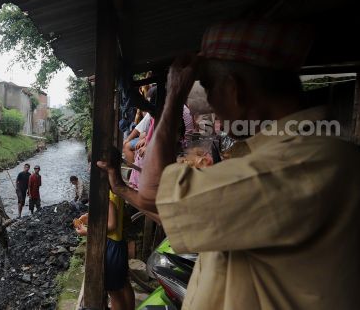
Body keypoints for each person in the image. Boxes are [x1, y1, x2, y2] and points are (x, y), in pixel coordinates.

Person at [98, 21, 360, 309]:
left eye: (209, 88)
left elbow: (153, 192)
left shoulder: (296, 164)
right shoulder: (308, 156)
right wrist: (121, 187)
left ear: (235, 89)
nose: (209, 102)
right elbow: (174, 210)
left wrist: (174, 95)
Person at [74, 189, 134, 310]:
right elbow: (110, 213)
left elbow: (111, 224)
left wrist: (88, 231)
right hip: (118, 243)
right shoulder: (115, 193)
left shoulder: (107, 198)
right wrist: (88, 216)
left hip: (111, 246)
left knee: (113, 292)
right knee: (123, 284)